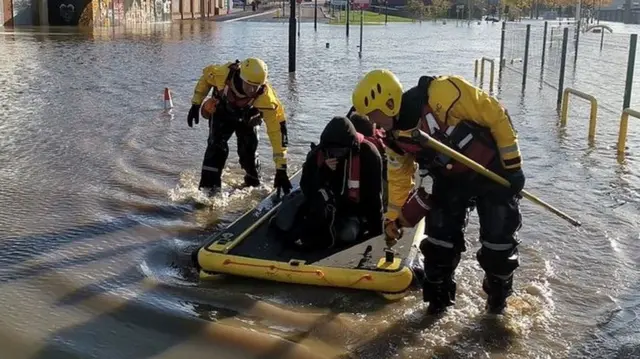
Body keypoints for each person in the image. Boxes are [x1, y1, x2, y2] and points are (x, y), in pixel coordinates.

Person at [351, 69, 526, 315]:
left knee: (499, 246)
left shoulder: (442, 93)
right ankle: (437, 305)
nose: (374, 123)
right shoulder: (392, 138)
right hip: (448, 180)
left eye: (374, 115)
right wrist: (392, 218)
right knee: (438, 247)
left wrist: (513, 164)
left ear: (389, 103)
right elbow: (400, 179)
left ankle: (497, 305)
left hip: (491, 172)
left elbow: (495, 114)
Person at [273, 116, 384, 250]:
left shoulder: (369, 155)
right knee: (284, 222)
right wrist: (323, 172)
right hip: (322, 207)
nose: (336, 154)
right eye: (332, 151)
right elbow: (307, 188)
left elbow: (374, 198)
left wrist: (377, 233)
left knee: (348, 234)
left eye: (340, 151)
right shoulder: (317, 154)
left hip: (351, 209)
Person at [187, 58, 292, 196]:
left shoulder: (266, 99)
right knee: (216, 147)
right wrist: (196, 103)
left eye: (257, 87)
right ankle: (209, 191)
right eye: (249, 86)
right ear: (241, 77)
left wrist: (281, 169)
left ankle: (253, 183)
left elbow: (277, 132)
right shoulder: (222, 74)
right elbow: (206, 79)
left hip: (248, 117)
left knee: (248, 151)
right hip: (222, 112)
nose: (253, 91)